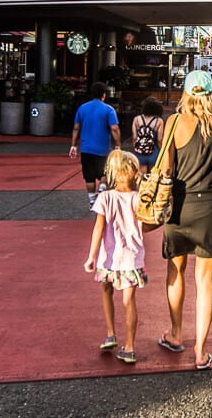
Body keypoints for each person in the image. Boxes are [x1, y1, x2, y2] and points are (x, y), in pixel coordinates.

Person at [157, 70, 212, 370]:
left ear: (187, 93)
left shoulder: (174, 122)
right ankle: (200, 351)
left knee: (175, 271)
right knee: (206, 280)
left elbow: (167, 168)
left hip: (180, 207)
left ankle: (176, 334)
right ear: (211, 93)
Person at [83, 150, 147, 365]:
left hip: (108, 257)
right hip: (131, 256)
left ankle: (111, 333)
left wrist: (91, 256)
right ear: (134, 173)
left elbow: (98, 229)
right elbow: (146, 224)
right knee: (129, 301)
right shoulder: (139, 198)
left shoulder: (105, 197)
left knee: (106, 290)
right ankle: (129, 346)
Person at [69, 82, 121, 208]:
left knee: (89, 177)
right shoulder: (109, 110)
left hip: (86, 148)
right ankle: (102, 190)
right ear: (104, 95)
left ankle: (92, 201)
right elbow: (114, 128)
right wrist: (118, 145)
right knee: (105, 174)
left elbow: (76, 128)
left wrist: (73, 145)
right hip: (103, 148)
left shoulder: (82, 108)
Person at [131, 97, 164, 176]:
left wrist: (136, 149)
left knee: (141, 179)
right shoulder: (159, 121)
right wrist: (162, 152)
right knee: (153, 179)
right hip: (153, 152)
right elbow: (159, 140)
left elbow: (134, 138)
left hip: (140, 153)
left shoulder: (136, 119)